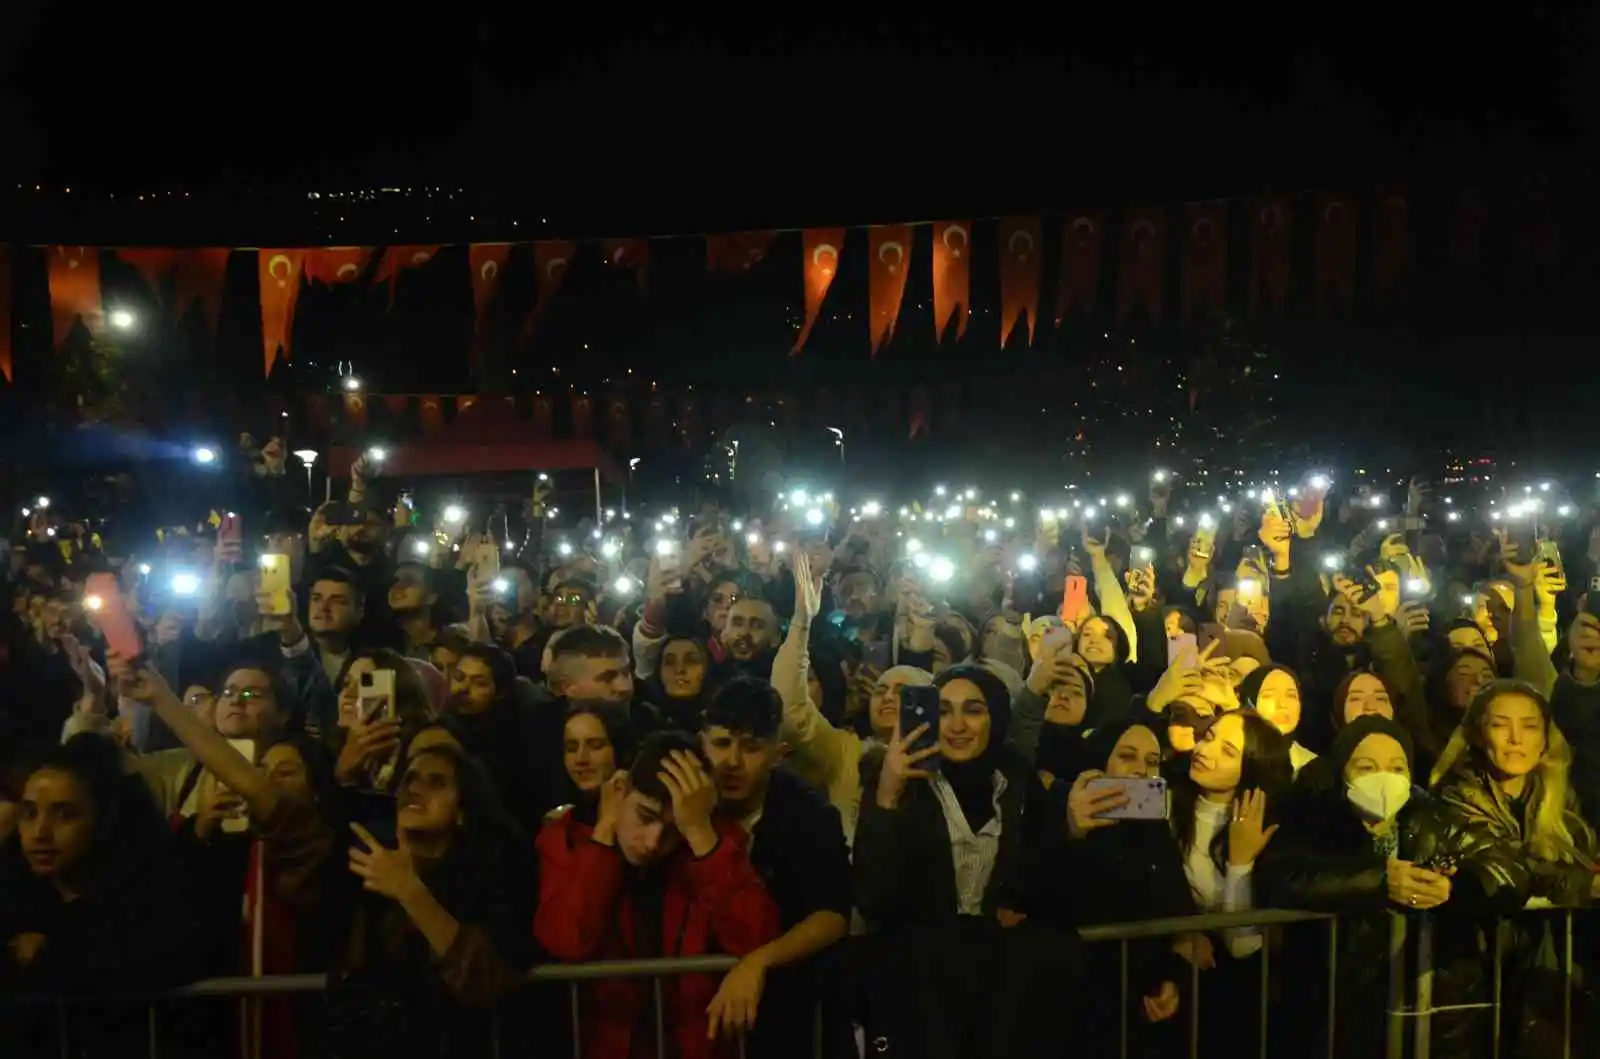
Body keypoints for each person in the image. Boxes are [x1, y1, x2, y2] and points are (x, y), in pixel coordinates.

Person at [854, 664, 1081, 1059]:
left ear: (995, 717)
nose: (957, 725)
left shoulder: (1013, 782)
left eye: (973, 710)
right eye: (943, 711)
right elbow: (874, 896)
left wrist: (1018, 898)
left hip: (999, 994)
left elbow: (1044, 874)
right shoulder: (900, 781)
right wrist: (887, 796)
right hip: (918, 996)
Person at [1263, 715, 1522, 1059]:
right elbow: (1286, 876)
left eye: (1397, 767)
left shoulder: (1433, 819)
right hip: (1332, 1006)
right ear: (1342, 771)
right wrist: (1379, 881)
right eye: (1367, 767)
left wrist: (1453, 889)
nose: (1384, 777)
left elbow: (1509, 870)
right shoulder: (1312, 820)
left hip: (1422, 1010)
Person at [534, 730, 781, 1059]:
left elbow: (755, 936)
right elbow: (568, 939)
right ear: (620, 791)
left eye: (671, 831)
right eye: (645, 817)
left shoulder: (707, 844)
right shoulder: (566, 840)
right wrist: (605, 830)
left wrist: (698, 831)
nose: (651, 843)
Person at [1, 735, 205, 1058]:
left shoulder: (152, 893)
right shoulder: (14, 891)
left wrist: (44, 957)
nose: (40, 833)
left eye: (64, 814)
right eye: (29, 813)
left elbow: (150, 961)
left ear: (103, 819)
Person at [697, 678, 851, 1056]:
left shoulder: (807, 813)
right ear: (702, 742)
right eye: (720, 744)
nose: (732, 762)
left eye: (750, 748)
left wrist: (759, 962)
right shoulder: (686, 799)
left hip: (791, 1008)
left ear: (777, 753)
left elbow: (832, 912)